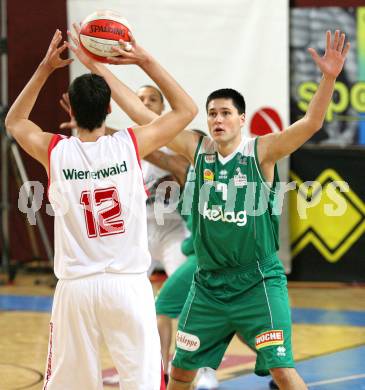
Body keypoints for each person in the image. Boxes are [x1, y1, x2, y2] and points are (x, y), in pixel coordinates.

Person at [5, 25, 197, 390]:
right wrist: (140, 60)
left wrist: (45, 69)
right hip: (126, 285)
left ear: (71, 109)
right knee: (143, 383)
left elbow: (14, 121)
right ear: (109, 108)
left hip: (76, 288)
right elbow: (186, 109)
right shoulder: (129, 144)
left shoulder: (55, 151)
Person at [162, 30, 350, 390]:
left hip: (257, 283)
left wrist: (327, 78)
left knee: (282, 371)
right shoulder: (198, 151)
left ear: (242, 118)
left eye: (226, 113)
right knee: (180, 373)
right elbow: (148, 118)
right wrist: (116, 67)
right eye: (212, 113)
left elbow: (310, 124)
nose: (218, 119)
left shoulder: (260, 152)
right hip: (209, 285)